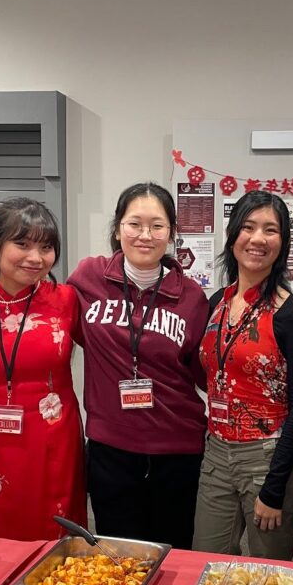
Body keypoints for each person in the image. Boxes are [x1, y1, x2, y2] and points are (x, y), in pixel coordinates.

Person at [68, 183, 208, 549]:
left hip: (177, 447)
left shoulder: (191, 296)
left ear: (172, 233)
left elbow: (200, 370)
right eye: (135, 224)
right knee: (117, 552)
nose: (145, 235)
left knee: (174, 551)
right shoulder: (88, 279)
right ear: (118, 228)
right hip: (111, 447)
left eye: (157, 226)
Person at [0, 199, 85, 541]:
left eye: (46, 247)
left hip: (54, 436)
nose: (36, 257)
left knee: (53, 530)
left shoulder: (66, 299)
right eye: (22, 244)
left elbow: (106, 350)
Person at [192, 190, 293, 560]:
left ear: (282, 242)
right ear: (233, 237)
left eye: (270, 230)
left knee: (268, 572)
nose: (258, 238)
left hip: (268, 457)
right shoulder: (216, 304)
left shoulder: (292, 314)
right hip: (216, 452)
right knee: (206, 560)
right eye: (248, 227)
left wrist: (274, 488)